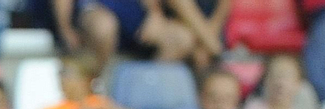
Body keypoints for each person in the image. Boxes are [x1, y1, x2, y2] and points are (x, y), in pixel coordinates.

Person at [71, 0, 225, 71]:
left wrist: (154, 12)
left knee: (182, 39)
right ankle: (98, 83)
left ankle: (146, 86)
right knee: (103, 27)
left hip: (139, 14)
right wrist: (65, 28)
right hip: (102, 9)